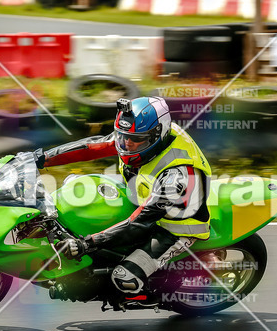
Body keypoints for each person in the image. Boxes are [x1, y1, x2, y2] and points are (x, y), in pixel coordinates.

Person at [31, 97, 212, 300]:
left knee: (124, 278)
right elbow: (91, 146)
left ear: (157, 135)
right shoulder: (136, 136)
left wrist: (87, 244)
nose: (127, 144)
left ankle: (147, 293)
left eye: (136, 139)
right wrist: (41, 157)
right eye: (123, 136)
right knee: (78, 186)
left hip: (173, 226)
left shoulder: (178, 174)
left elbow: (140, 223)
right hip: (141, 195)